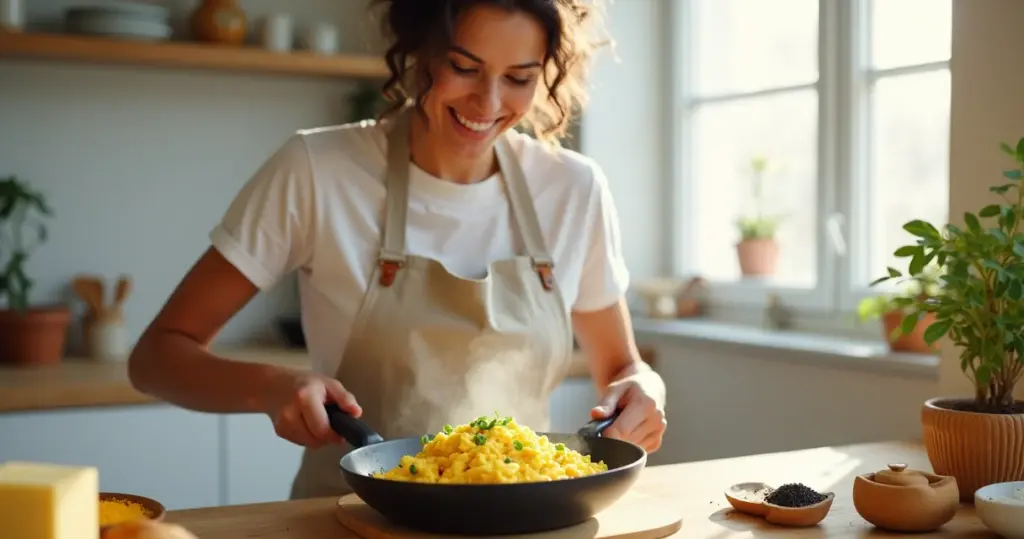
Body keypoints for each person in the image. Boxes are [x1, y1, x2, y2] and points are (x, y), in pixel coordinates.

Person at [127, 0, 667, 499]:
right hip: (343, 520)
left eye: (520, 78)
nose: (490, 103)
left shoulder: (573, 189)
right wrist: (272, 387)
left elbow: (622, 366)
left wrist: (643, 390)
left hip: (520, 524)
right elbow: (156, 357)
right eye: (464, 67)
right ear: (420, 49)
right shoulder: (319, 170)